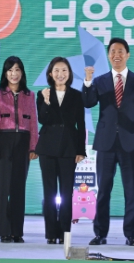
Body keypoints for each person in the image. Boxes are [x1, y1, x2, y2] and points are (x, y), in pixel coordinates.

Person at [83, 37, 134, 246]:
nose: (116, 55)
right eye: (113, 51)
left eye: (121, 51)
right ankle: (100, 233)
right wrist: (87, 81)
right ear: (108, 55)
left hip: (131, 142)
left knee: (131, 191)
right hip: (105, 143)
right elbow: (88, 102)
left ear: (127, 54)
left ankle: (130, 235)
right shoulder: (100, 80)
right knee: (103, 190)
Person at [0, 56, 38, 243]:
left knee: (18, 188)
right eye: (10, 70)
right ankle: (3, 230)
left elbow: (33, 123)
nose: (14, 74)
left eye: (17, 70)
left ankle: (17, 231)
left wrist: (33, 147)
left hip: (22, 142)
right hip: (2, 141)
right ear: (5, 73)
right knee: (2, 188)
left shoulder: (30, 95)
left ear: (22, 72)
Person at [35, 57, 86, 245]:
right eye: (56, 70)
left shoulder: (77, 95)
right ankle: (50, 232)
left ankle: (65, 231)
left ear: (69, 73)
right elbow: (42, 119)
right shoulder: (43, 94)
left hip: (69, 147)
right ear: (50, 73)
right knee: (49, 192)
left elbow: (81, 124)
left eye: (64, 70)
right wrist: (47, 101)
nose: (60, 74)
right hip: (47, 147)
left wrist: (81, 150)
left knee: (66, 192)